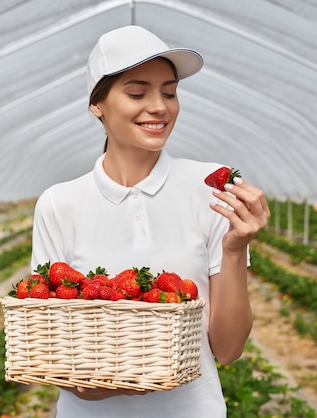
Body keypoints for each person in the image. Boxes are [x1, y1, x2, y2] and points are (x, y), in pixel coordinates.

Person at [30, 25, 270, 417]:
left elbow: (228, 350)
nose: (159, 106)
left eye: (170, 92)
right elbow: (54, 338)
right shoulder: (60, 204)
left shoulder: (211, 190)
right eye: (137, 92)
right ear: (97, 105)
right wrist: (90, 387)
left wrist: (235, 248)